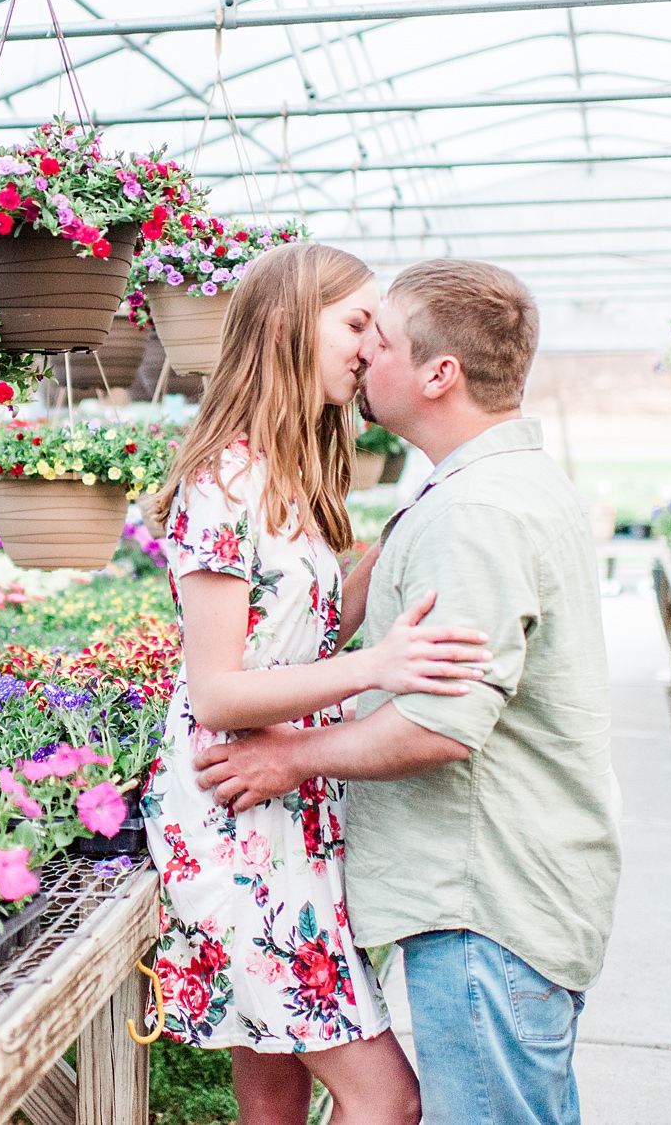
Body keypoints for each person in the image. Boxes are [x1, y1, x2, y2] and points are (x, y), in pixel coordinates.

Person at [195, 258, 622, 1125]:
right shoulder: (476, 494)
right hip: (491, 891)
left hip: (485, 898)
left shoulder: (475, 513)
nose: (363, 357)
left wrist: (294, 756)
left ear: (439, 373)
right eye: (353, 330)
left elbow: (438, 726)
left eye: (376, 336)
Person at [141, 243, 495, 1125]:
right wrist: (379, 666)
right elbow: (219, 691)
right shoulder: (224, 482)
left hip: (286, 805)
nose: (371, 346)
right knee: (388, 1101)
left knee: (274, 1088)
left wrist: (392, 550)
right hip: (234, 817)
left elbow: (286, 644)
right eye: (355, 322)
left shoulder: (289, 478)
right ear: (288, 326)